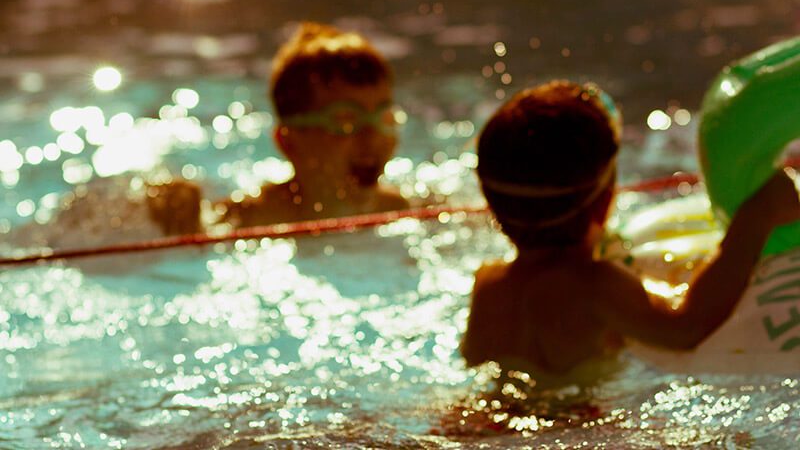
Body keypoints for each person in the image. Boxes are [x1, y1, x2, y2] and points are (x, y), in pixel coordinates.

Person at [461, 81, 800, 383]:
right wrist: (755, 220)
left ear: (494, 207)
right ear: (605, 199)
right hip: (575, 427)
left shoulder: (487, 284)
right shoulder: (596, 285)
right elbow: (687, 328)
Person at [222, 22, 408, 227]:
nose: (373, 136)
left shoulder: (404, 212)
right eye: (346, 120)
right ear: (288, 142)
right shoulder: (246, 220)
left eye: (383, 117)